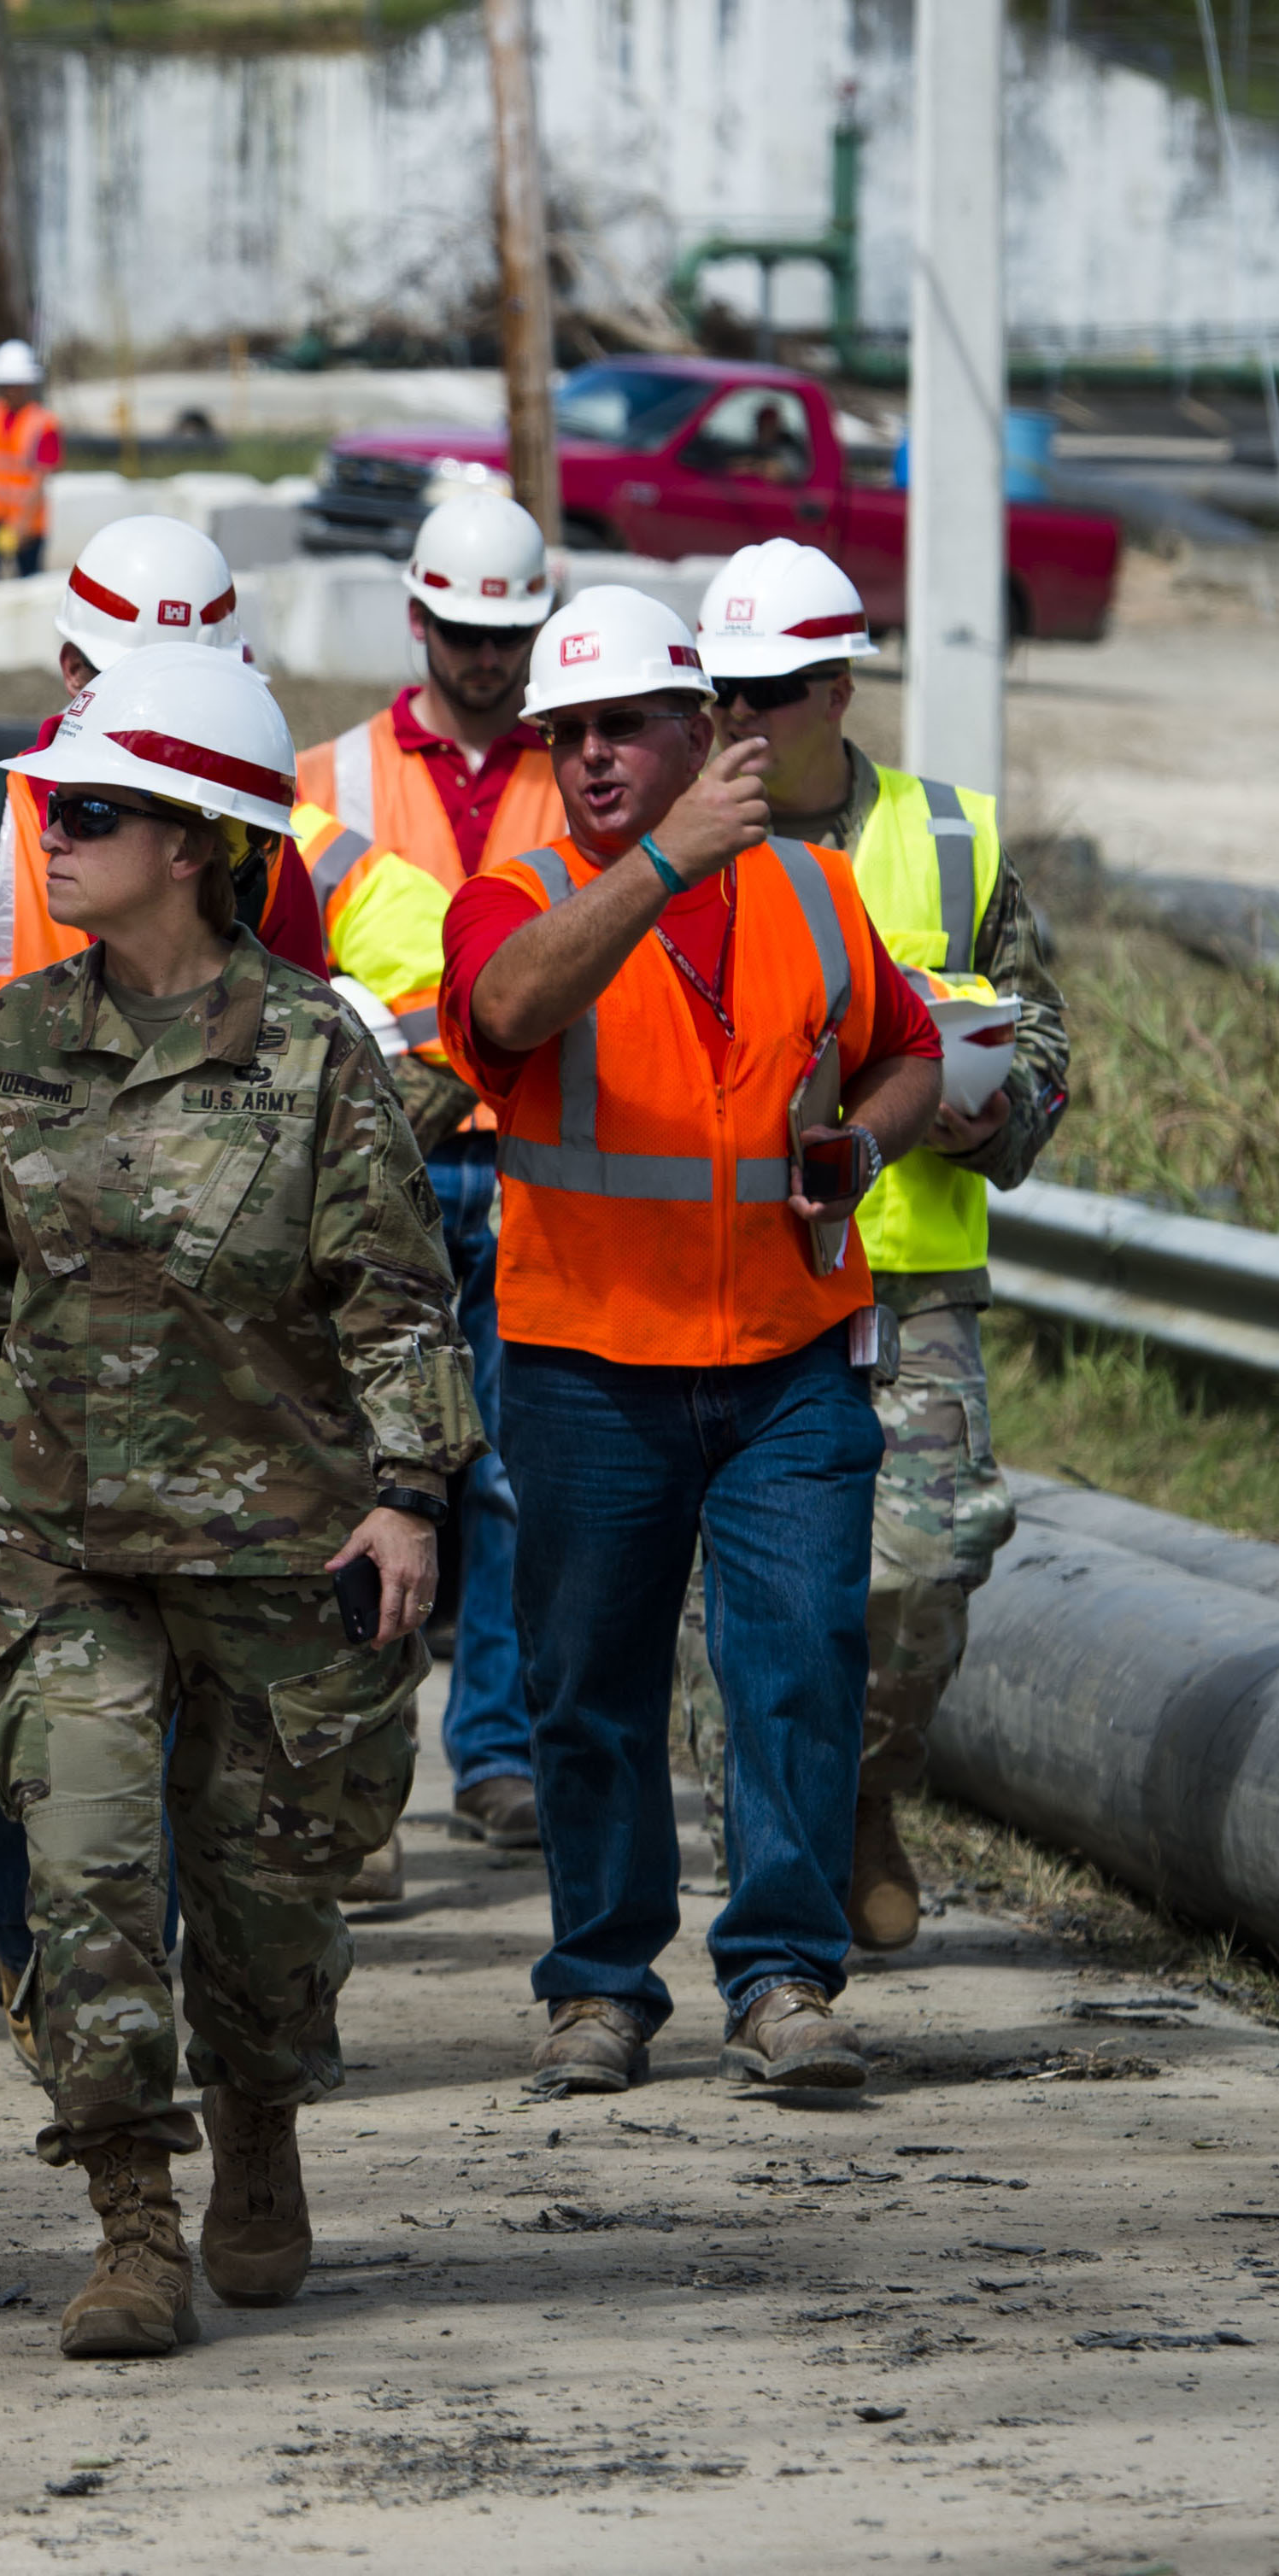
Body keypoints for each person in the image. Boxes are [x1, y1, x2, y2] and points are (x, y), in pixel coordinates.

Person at [0, 641, 476, 2362]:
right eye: (52, 805)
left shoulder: (312, 1053)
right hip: (59, 1544)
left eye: (95, 809)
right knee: (86, 1868)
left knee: (270, 1905)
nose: (50, 833)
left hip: (276, 1546)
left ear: (200, 837)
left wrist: (410, 1492)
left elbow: (391, 1293)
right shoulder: (25, 1037)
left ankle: (262, 2116)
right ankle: (131, 2208)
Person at [0, 516, 362, 2008]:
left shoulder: (252, 857)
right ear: (64, 669)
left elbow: (304, 1092)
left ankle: (129, 1970)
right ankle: (31, 1938)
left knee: (182, 1692)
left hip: (202, 1362)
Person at [443, 584, 944, 2100]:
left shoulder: (807, 890)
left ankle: (782, 1975)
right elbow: (508, 1008)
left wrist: (860, 1145)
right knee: (587, 1686)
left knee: (792, 1663)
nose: (589, 757)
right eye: (566, 734)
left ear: (702, 728)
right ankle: (598, 1986)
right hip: (589, 1367)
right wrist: (661, 863)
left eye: (623, 728)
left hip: (787, 1356)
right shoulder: (512, 889)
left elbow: (907, 1056)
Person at [670, 540, 1070, 1952]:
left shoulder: (947, 838)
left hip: (906, 1269)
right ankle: (773, 1891)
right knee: (745, 1590)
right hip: (730, 1277)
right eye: (715, 692)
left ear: (836, 687)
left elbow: (1038, 1049)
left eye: (767, 693)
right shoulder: (667, 848)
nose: (734, 721)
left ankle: (858, 1788)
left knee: (932, 1548)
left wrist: (982, 1113)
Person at [294, 490, 566, 1857]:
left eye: (507, 633)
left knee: (511, 1474)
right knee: (362, 1476)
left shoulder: (577, 772)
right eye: (462, 630)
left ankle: (500, 1752)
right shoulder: (327, 780)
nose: (484, 658)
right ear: (418, 619)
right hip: (372, 1176)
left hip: (527, 1172)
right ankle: (363, 1787)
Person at [0, 339, 61, 618]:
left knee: (30, 593)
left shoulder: (44, 423)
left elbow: (40, 480)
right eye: (5, 383)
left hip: (27, 524)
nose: (10, 390)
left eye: (16, 383)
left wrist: (20, 527)